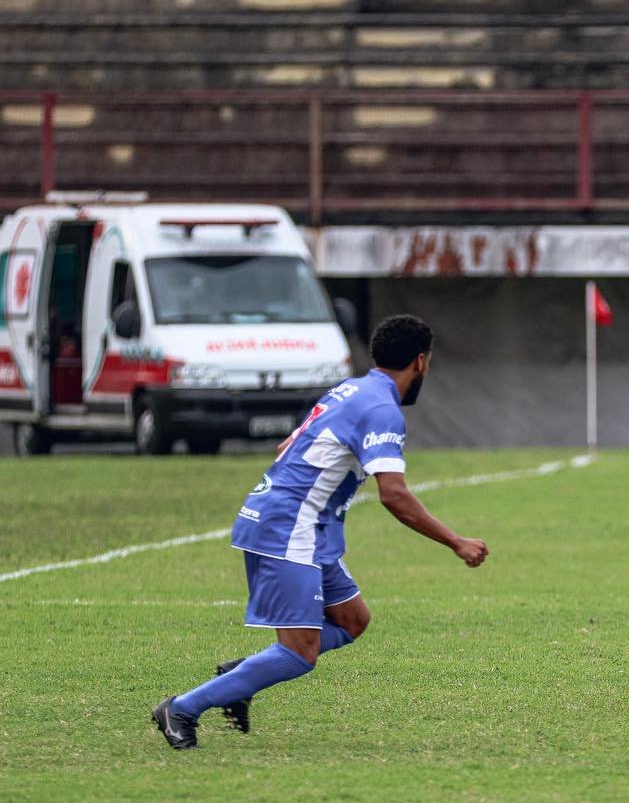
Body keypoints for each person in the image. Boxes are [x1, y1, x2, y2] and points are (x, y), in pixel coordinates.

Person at [152, 314, 489, 748]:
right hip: (286, 528)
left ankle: (243, 677)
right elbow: (394, 496)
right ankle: (182, 708)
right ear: (421, 362)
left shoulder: (351, 390)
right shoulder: (382, 408)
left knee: (352, 620)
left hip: (304, 526)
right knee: (298, 653)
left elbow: (286, 446)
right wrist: (456, 542)